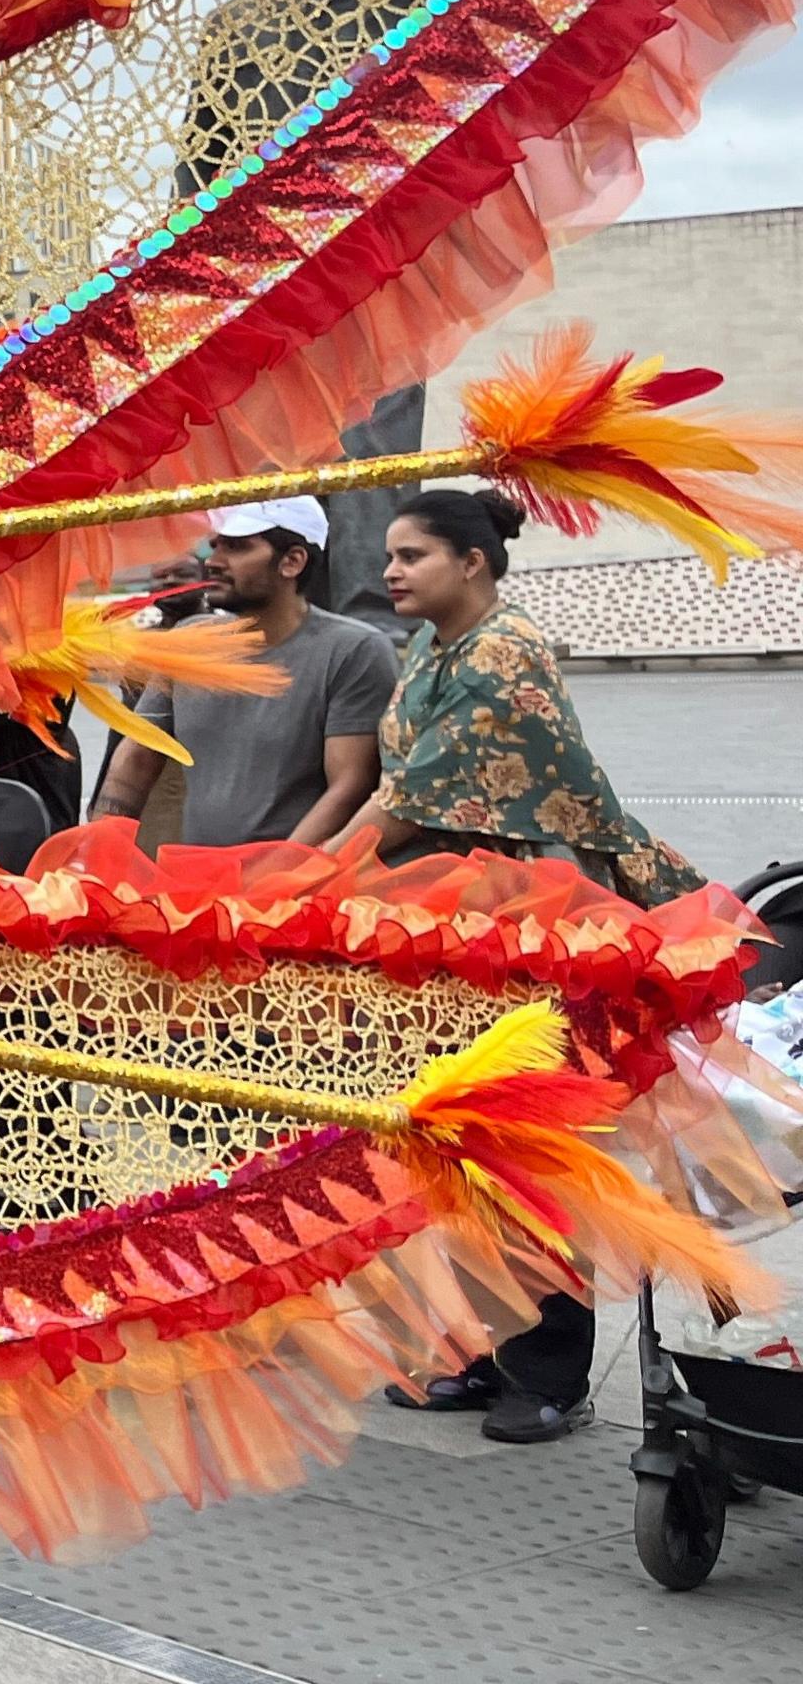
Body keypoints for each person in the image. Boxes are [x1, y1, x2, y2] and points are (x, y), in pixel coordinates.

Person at [348, 487, 705, 1446]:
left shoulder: (506, 654)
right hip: (460, 930)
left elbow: (409, 802)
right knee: (450, 1130)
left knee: (529, 1145)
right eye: (390, 554)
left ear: (473, 562)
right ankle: (470, 1351)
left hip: (541, 933)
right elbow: (394, 787)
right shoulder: (427, 649)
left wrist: (308, 882)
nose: (392, 571)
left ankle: (548, 1372)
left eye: (413, 555)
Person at [88, 498, 395, 849]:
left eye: (236, 548)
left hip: (296, 890)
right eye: (215, 546)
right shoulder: (191, 639)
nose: (214, 562)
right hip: (195, 880)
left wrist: (277, 876)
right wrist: (97, 852)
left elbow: (349, 787)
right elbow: (136, 758)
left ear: (292, 562)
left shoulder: (354, 651)